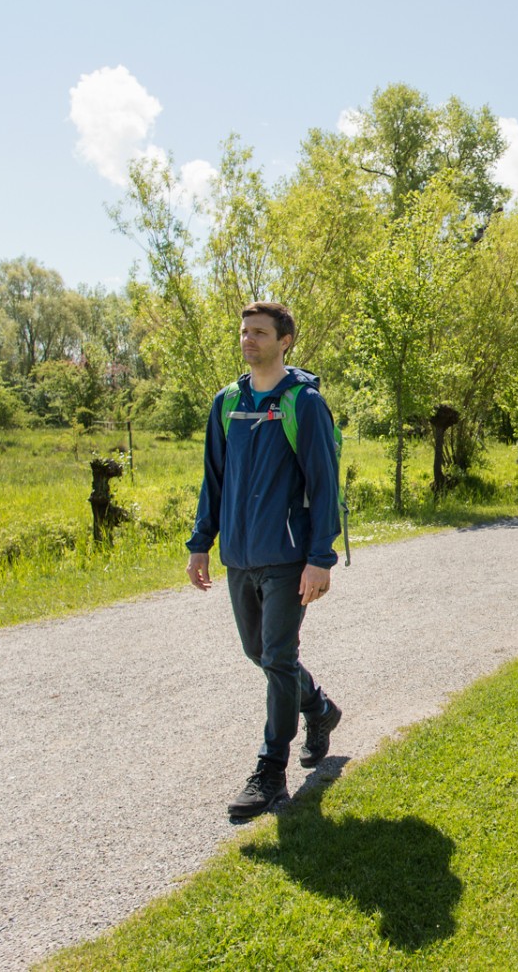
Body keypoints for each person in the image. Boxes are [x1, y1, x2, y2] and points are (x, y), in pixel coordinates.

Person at [187, 301, 343, 820]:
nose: (248, 340)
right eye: (244, 332)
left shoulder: (305, 403)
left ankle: (270, 770)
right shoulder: (226, 402)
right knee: (260, 653)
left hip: (287, 556)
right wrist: (200, 542)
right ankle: (318, 708)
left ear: (285, 341)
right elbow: (214, 479)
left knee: (277, 655)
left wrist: (321, 558)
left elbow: (323, 485)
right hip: (238, 553)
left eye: (259, 332)